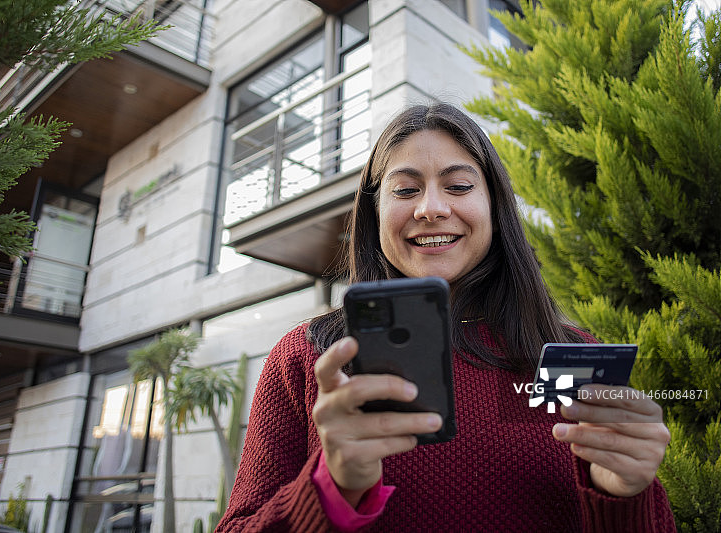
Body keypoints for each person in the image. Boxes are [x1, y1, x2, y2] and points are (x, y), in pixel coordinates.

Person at [215, 103, 675, 532]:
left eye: (458, 186)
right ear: (374, 213)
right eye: (405, 190)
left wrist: (626, 494)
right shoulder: (310, 359)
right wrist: (329, 490)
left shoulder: (571, 357)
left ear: (495, 206)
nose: (431, 208)